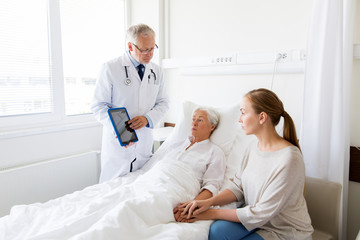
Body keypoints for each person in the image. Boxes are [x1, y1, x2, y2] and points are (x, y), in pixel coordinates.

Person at [0, 108, 226, 240]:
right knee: (100, 201)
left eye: (200, 120)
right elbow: (156, 165)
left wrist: (194, 205)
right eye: (193, 118)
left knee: (128, 210)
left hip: (174, 187)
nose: (194, 123)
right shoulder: (177, 143)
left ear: (212, 127)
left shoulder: (214, 152)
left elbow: (212, 186)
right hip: (149, 179)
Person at [175, 88, 314, 240]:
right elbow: (237, 188)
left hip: (283, 231)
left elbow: (261, 213)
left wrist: (208, 213)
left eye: (243, 112)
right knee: (216, 232)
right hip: (257, 222)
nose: (239, 119)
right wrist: (207, 202)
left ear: (262, 117)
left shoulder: (289, 159)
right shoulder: (253, 147)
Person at [91, 23, 169, 183]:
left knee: (138, 189)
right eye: (144, 50)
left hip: (144, 144)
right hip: (118, 146)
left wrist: (147, 118)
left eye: (153, 48)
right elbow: (98, 106)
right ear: (130, 46)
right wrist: (122, 130)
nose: (150, 54)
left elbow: (163, 103)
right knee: (111, 191)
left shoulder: (157, 71)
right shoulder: (111, 68)